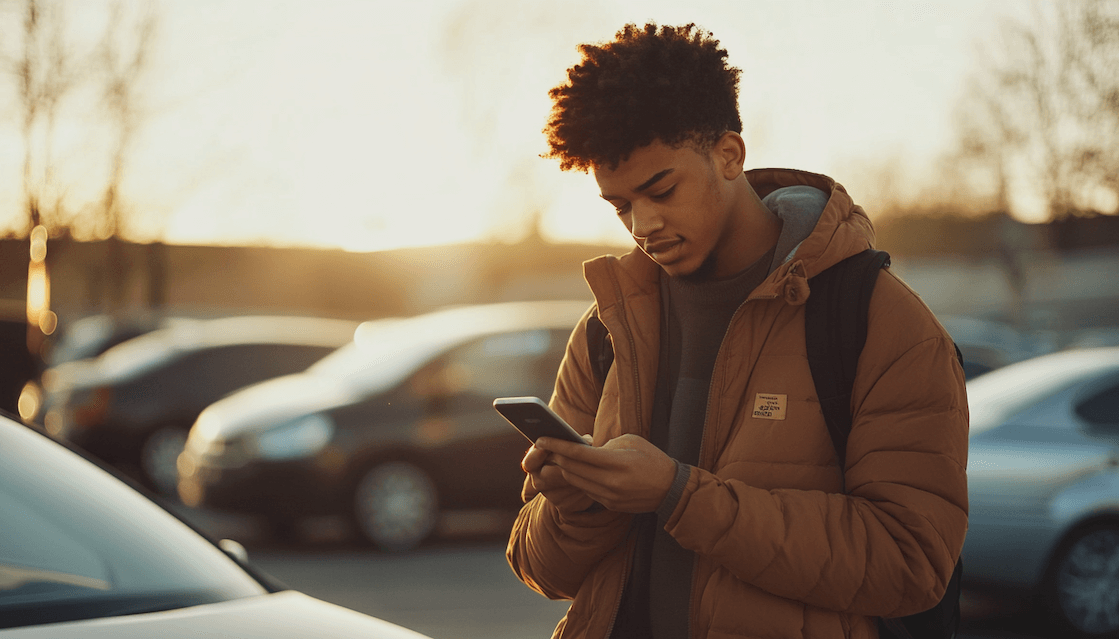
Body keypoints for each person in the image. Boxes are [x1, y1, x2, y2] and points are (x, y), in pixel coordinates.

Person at [506, 22, 969, 639]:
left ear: (729, 155)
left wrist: (678, 494)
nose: (643, 225)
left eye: (661, 190)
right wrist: (578, 506)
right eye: (620, 206)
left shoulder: (880, 322)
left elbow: (911, 563)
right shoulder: (608, 329)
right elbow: (543, 570)